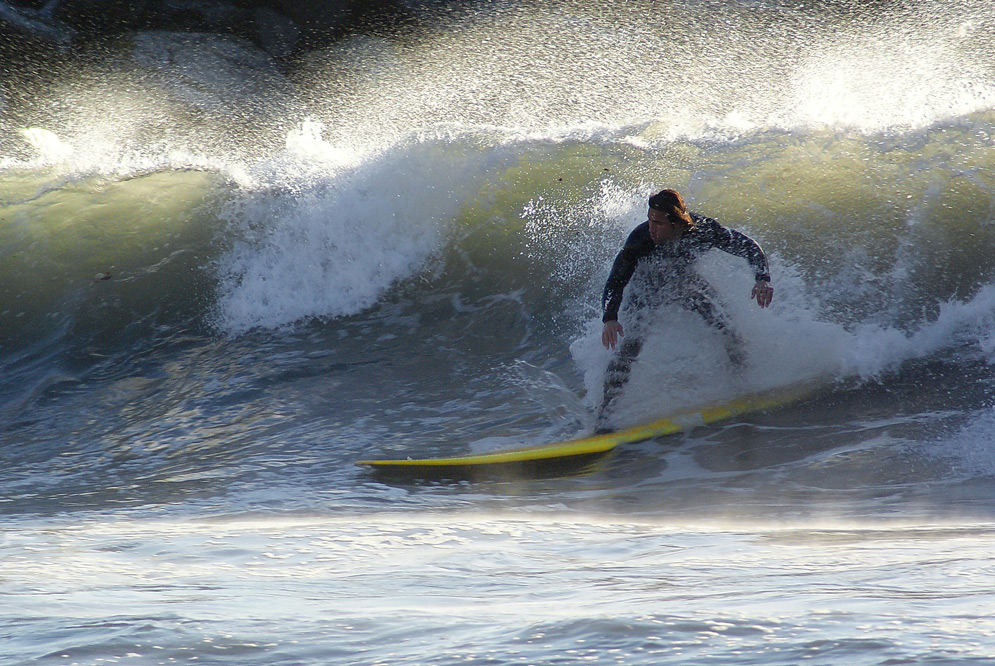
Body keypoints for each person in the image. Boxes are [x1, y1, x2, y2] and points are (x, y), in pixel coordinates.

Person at [597, 189, 773, 422]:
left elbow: (749, 246)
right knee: (630, 347)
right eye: (650, 220)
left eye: (658, 223)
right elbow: (616, 282)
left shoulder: (703, 230)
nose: (651, 227)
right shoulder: (640, 240)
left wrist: (762, 279)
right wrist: (610, 317)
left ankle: (745, 386)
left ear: (677, 223)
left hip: (686, 283)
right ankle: (605, 415)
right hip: (646, 291)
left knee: (726, 328)